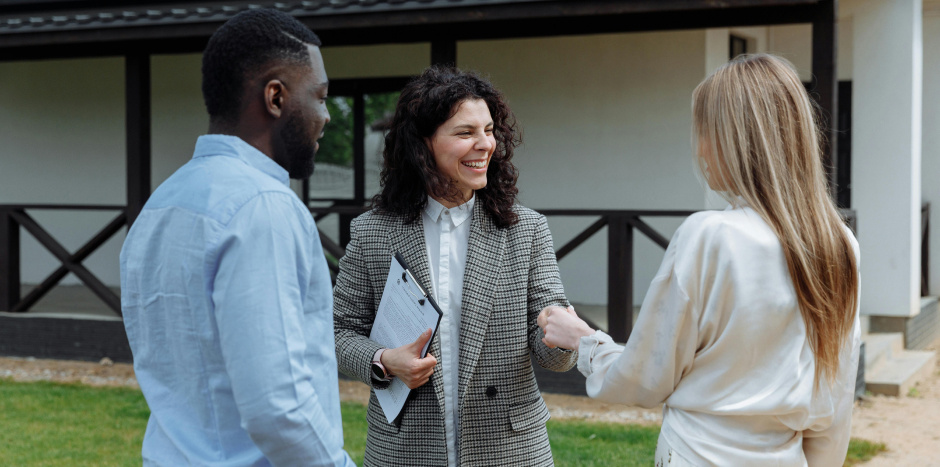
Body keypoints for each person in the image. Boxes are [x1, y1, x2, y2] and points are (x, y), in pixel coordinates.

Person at [539, 54, 861, 466]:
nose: (700, 147)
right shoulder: (840, 243)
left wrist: (584, 341)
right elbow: (834, 401)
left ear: (735, 139)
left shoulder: (710, 235)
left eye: (704, 130)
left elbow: (647, 379)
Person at [120, 9, 354, 466]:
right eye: (321, 98)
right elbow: (278, 408)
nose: (325, 117)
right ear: (275, 97)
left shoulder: (165, 200)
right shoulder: (263, 206)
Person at [333, 65, 576, 466]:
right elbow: (338, 331)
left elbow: (551, 353)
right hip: (405, 449)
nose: (485, 144)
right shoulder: (372, 232)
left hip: (508, 450)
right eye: (465, 133)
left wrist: (560, 337)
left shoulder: (527, 230)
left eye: (489, 130)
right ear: (422, 144)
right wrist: (383, 361)